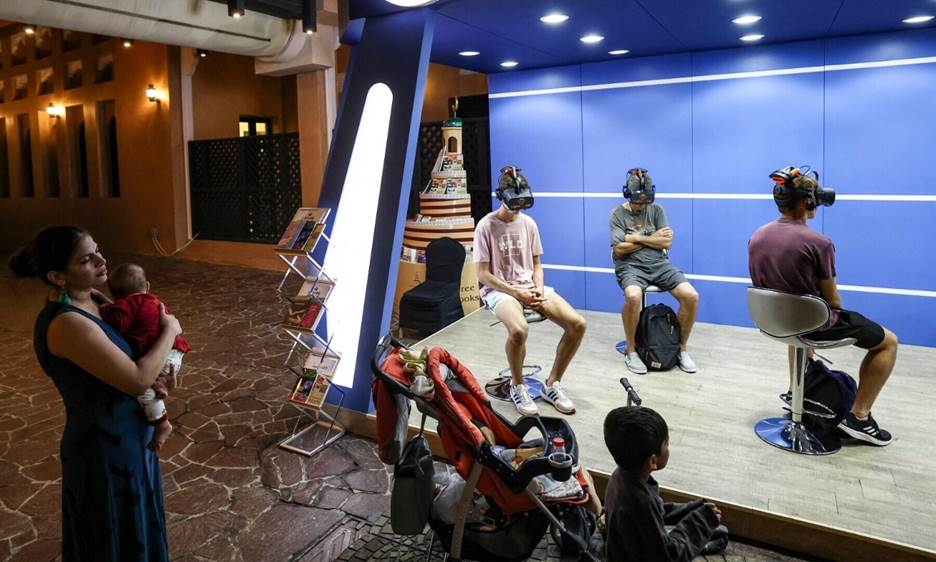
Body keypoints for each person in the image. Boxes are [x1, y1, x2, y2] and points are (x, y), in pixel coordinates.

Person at [9, 226, 181, 561]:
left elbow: (135, 364)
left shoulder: (94, 300)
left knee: (137, 534)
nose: (103, 261)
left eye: (98, 250)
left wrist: (162, 379)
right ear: (58, 277)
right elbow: (134, 378)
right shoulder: (66, 323)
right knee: (112, 541)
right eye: (87, 259)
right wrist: (171, 331)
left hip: (130, 439)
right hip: (104, 450)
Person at [749, 166, 898, 446]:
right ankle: (859, 418)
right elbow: (833, 302)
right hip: (811, 323)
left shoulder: (757, 235)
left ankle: (797, 393)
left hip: (772, 321)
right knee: (888, 342)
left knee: (798, 331)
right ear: (808, 202)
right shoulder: (819, 243)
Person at [474, 166, 587, 416]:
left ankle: (552, 384)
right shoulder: (485, 226)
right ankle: (518, 386)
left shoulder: (529, 223)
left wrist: (536, 288)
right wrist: (516, 292)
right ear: (501, 196)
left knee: (577, 324)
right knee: (518, 330)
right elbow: (482, 275)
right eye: (513, 202)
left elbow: (537, 265)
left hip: (529, 286)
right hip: (499, 290)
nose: (517, 208)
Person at [602, 406, 722, 561]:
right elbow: (670, 556)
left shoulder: (619, 476)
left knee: (719, 531)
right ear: (653, 461)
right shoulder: (640, 500)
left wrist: (693, 509)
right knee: (715, 531)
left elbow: (656, 511)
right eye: (666, 443)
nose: (668, 448)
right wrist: (701, 521)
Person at [610, 168, 699, 374]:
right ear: (627, 195)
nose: (641, 206)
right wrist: (653, 239)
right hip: (630, 266)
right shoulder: (617, 214)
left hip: (660, 264)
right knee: (633, 296)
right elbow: (619, 249)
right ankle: (631, 351)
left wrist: (635, 237)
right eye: (637, 202)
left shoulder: (657, 210)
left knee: (691, 296)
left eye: (645, 202)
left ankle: (680, 349)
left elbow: (667, 241)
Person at [102, 263, 191, 451]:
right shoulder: (154, 301)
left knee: (143, 390)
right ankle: (161, 388)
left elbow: (119, 323)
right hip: (175, 351)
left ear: (116, 295)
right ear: (147, 286)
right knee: (154, 381)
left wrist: (105, 311)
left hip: (161, 354)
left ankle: (162, 424)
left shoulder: (126, 305)